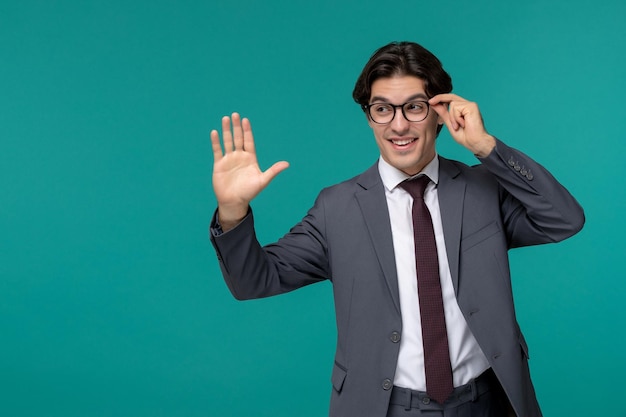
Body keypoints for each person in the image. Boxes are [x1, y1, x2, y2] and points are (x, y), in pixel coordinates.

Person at [208, 41, 584, 417]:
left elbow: (564, 219)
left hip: (487, 402)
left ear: (440, 111)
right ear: (370, 116)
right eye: (383, 109)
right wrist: (233, 210)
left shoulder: (482, 189)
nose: (399, 125)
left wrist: (487, 147)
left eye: (415, 107)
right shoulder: (336, 208)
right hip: (385, 407)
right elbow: (252, 282)